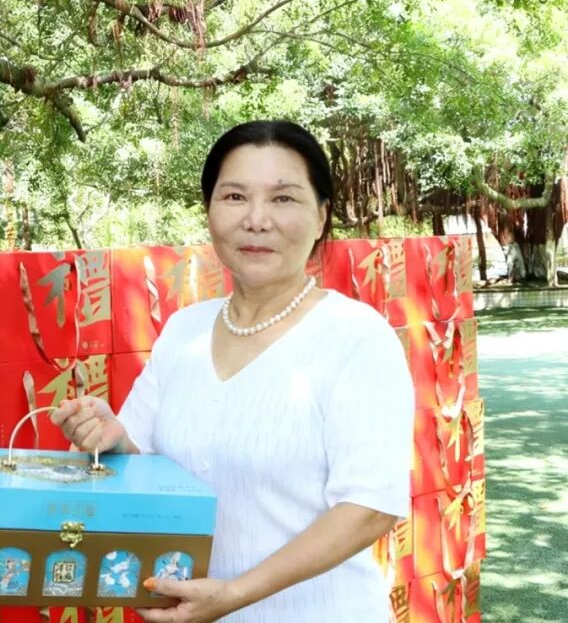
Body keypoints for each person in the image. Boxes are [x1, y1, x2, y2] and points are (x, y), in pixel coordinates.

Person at [52, 121, 414, 622]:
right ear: (209, 211)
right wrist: (108, 438)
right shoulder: (184, 330)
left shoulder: (356, 336)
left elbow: (370, 508)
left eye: (283, 198)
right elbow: (140, 461)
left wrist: (234, 594)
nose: (256, 220)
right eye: (235, 196)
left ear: (321, 216)